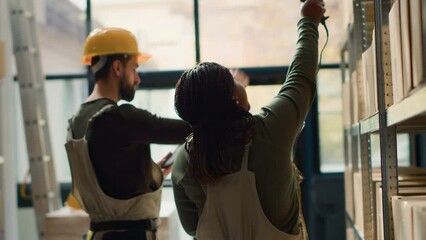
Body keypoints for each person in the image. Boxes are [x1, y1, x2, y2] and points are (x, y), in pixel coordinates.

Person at [171, 0, 326, 239]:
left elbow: (193, 227)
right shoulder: (269, 131)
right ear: (232, 100)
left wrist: (233, 93)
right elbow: (301, 78)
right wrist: (309, 20)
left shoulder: (185, 160)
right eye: (231, 80)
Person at [65, 27, 191, 240]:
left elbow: (110, 178)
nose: (137, 79)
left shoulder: (76, 120)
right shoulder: (119, 118)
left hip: (98, 234)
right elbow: (187, 129)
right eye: (134, 69)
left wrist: (149, 174)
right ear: (117, 67)